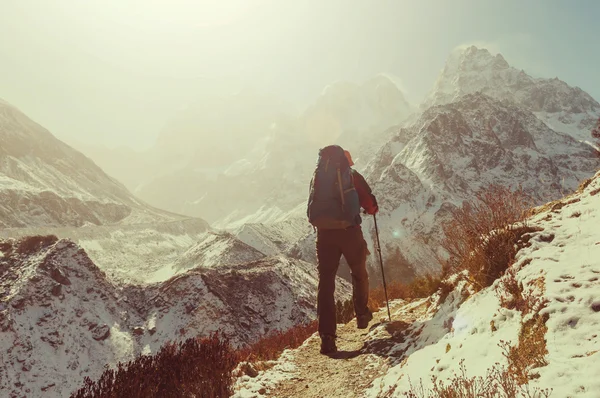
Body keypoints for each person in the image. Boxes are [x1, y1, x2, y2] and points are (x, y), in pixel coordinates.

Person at [307, 146, 379, 355]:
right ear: (346, 162)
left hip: (324, 234)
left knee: (326, 282)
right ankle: (362, 315)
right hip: (349, 232)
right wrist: (369, 209)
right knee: (359, 271)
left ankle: (327, 337)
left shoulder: (317, 177)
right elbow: (370, 205)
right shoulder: (352, 176)